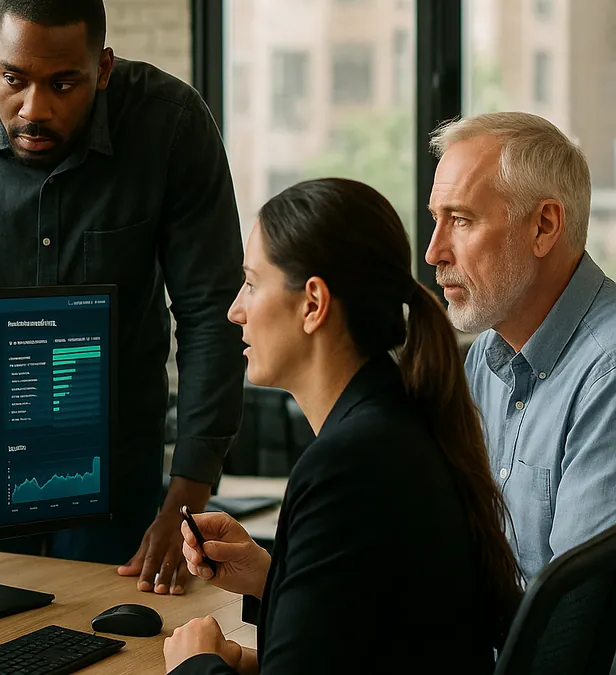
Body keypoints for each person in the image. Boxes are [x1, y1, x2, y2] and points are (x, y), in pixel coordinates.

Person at [0, 0, 244, 594]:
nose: (34, 109)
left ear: (102, 69)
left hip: (116, 460)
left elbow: (211, 314)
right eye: (14, 79)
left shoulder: (170, 126)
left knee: (113, 625)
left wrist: (185, 501)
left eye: (63, 84)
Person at [163, 179, 522, 674]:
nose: (235, 310)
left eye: (251, 283)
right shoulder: (396, 426)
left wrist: (196, 664)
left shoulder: (349, 464)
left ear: (313, 304)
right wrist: (274, 579)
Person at [426, 111, 616, 582]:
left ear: (544, 226)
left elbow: (573, 617)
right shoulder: (485, 358)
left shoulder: (607, 374)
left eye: (460, 220)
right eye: (436, 219)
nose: (434, 252)